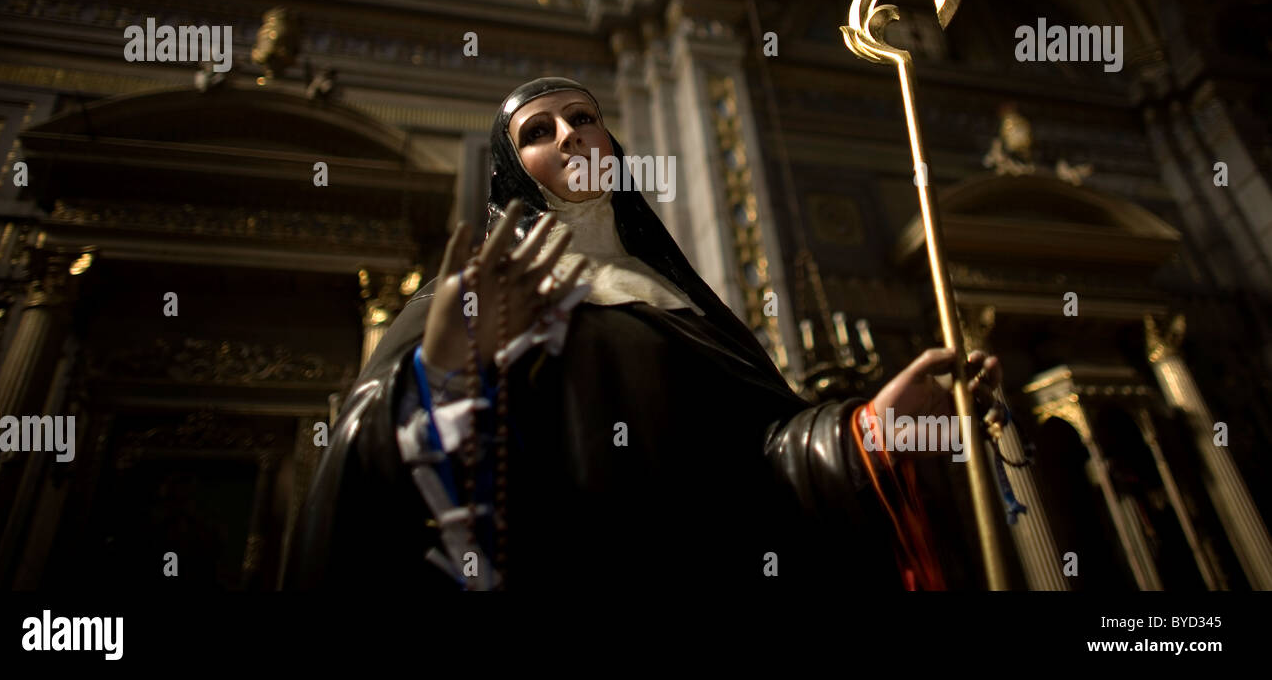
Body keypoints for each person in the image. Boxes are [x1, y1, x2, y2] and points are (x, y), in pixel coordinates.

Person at [283, 76, 1002, 591]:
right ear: (513, 171)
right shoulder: (466, 297)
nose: (570, 134)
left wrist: (873, 430)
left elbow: (764, 464)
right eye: (539, 132)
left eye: (583, 117)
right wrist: (442, 372)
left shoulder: (680, 298)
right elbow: (359, 462)